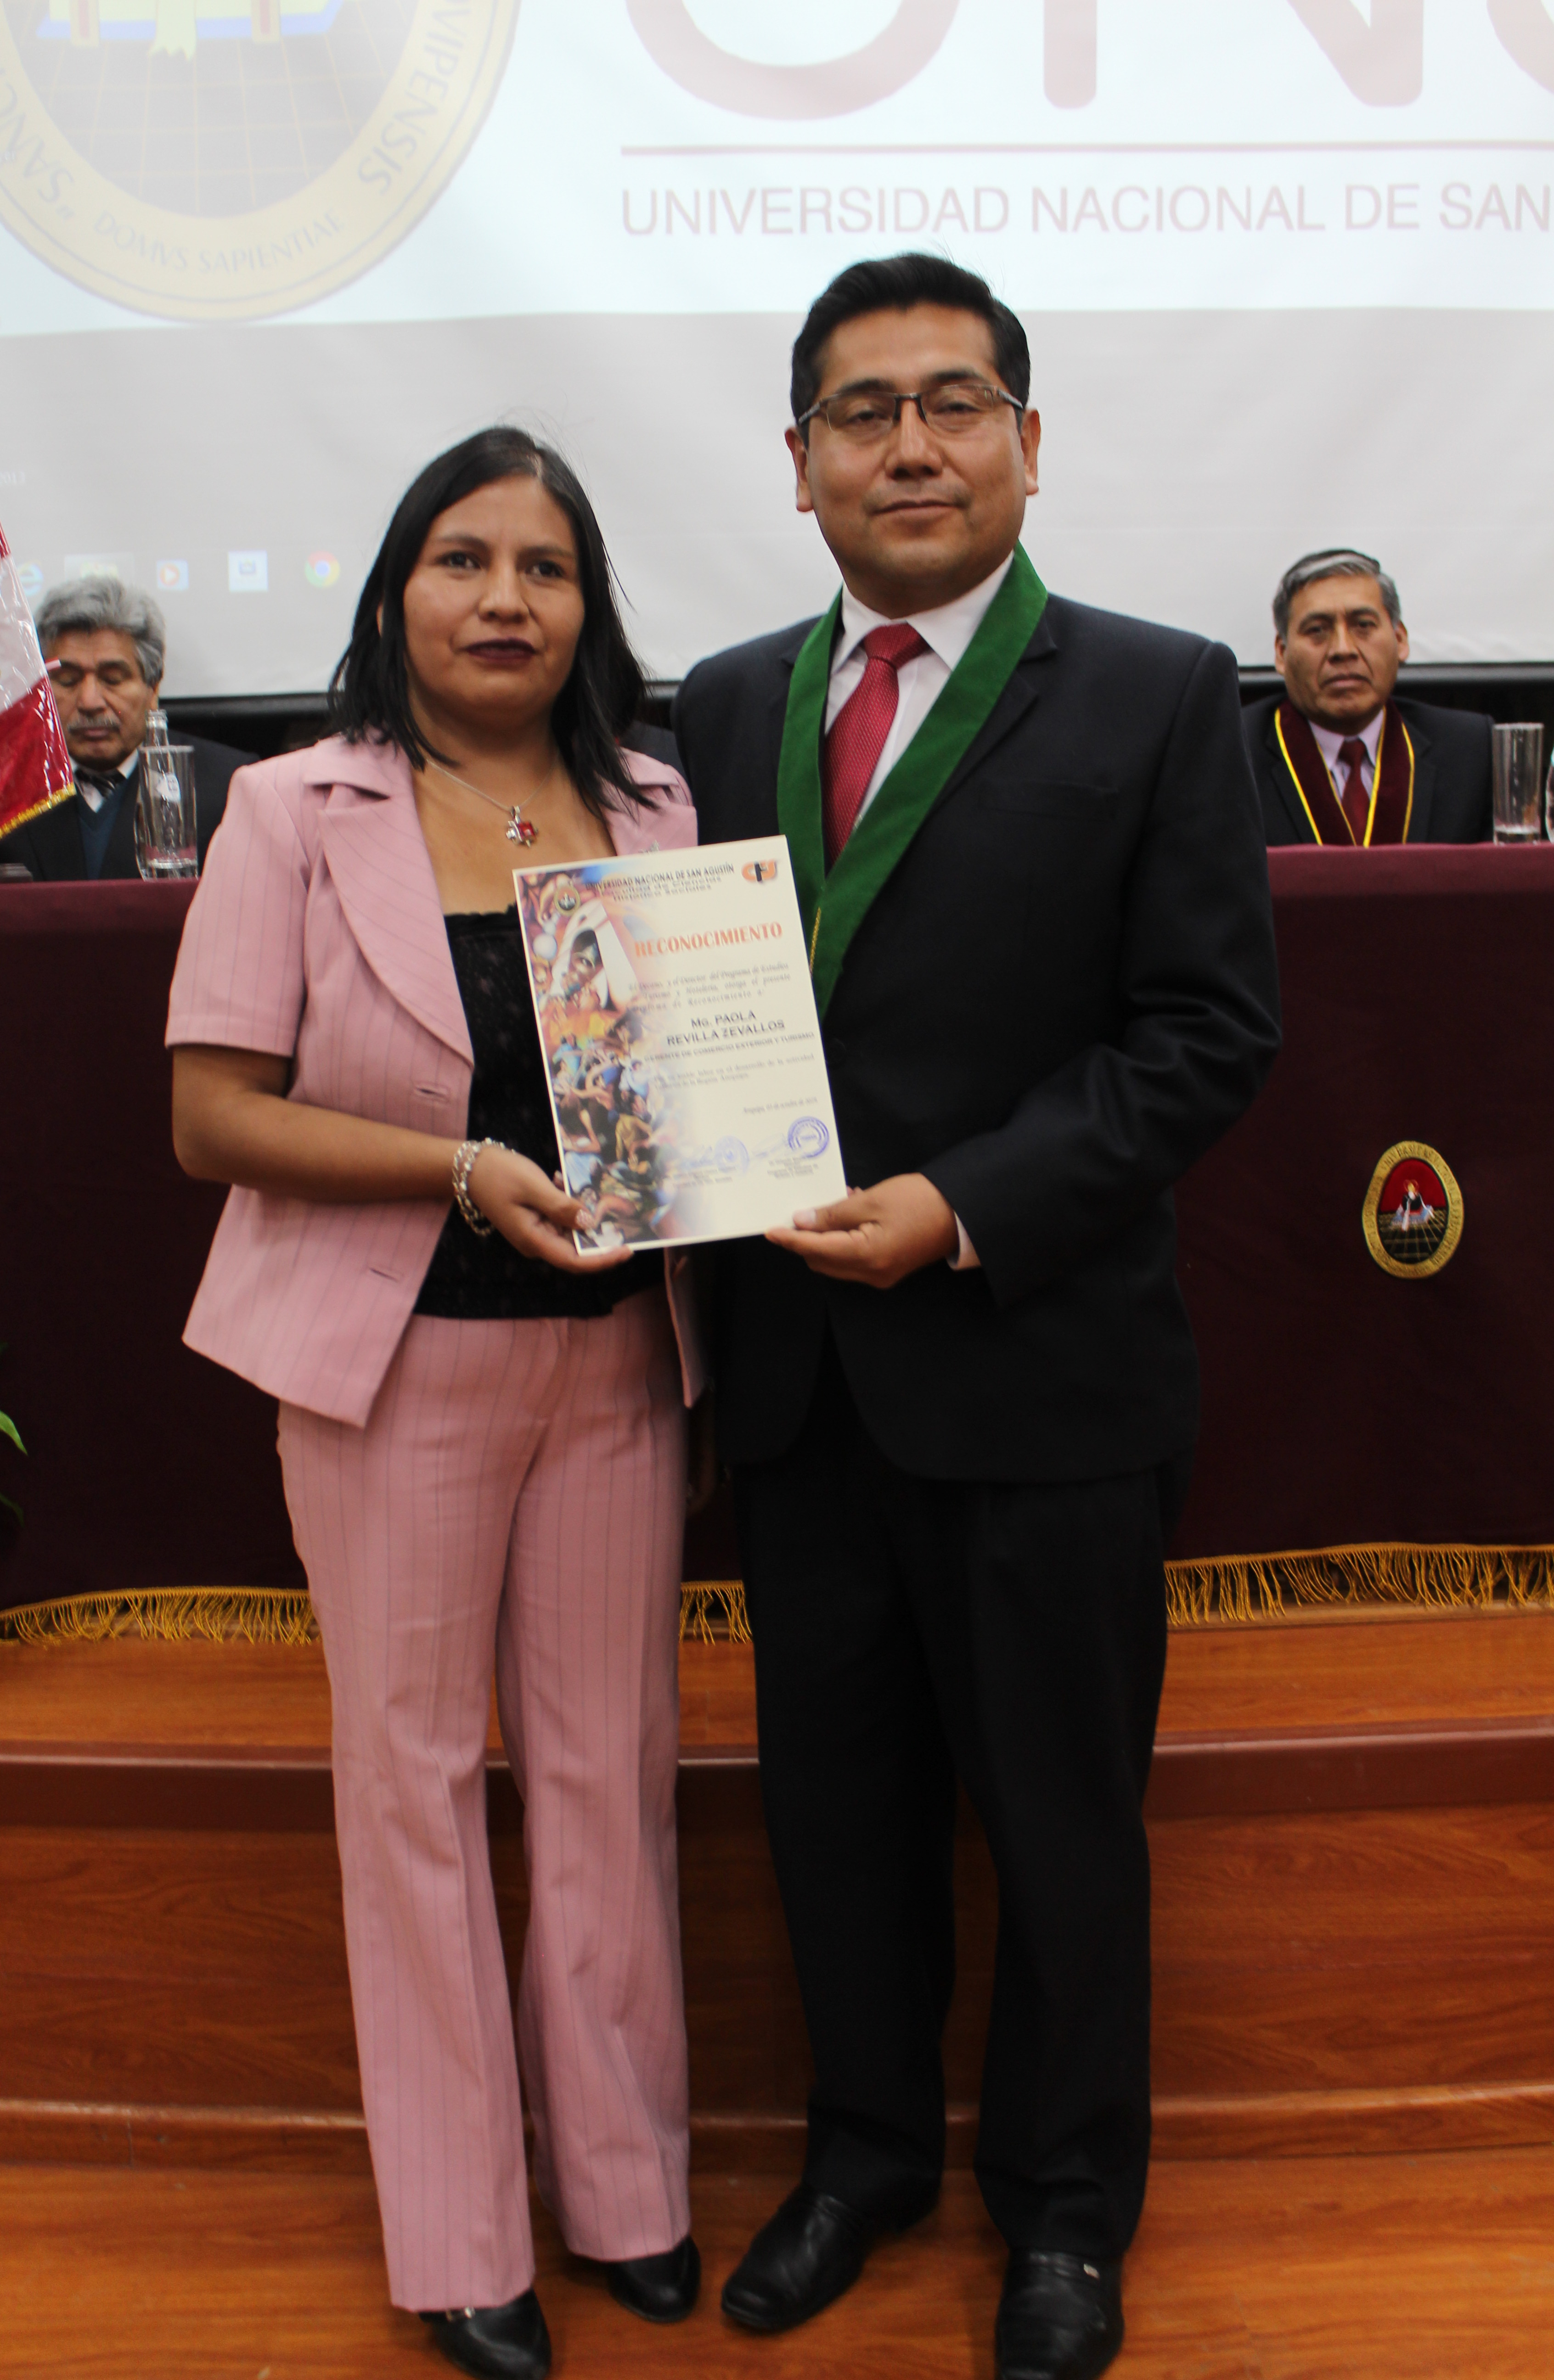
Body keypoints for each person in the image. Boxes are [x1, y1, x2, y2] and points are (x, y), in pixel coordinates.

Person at [672, 254, 1280, 2380]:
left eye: (953, 404)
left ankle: (1064, 2211)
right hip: (798, 1384)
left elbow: (1205, 1034)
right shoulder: (718, 705)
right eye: (863, 412)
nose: (909, 446)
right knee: (833, 1815)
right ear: (798, 462)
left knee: (1056, 1827)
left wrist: (963, 1206)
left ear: (1027, 441)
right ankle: (862, 2159)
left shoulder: (1156, 693)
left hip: (1042, 1373)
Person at [166, 428, 706, 2380]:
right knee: (410, 1783)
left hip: (619, 1361)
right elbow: (210, 1115)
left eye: (544, 566)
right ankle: (463, 2231)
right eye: (462, 558)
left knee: (607, 1772)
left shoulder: (654, 804)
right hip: (394, 1366)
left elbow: (689, 1087)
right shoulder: (292, 806)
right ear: (395, 590)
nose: (504, 598)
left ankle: (627, 2189)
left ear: (588, 607)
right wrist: (459, 1171)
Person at [0, 576, 252, 878]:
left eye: (112, 679)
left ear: (153, 687)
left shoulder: (232, 787)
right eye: (68, 680)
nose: (90, 702)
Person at [1248, 549, 1492, 845]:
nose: (1343, 649)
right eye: (1317, 630)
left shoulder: (1470, 751)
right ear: (1282, 653)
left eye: (1363, 625)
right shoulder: (1234, 755)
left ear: (1400, 640)